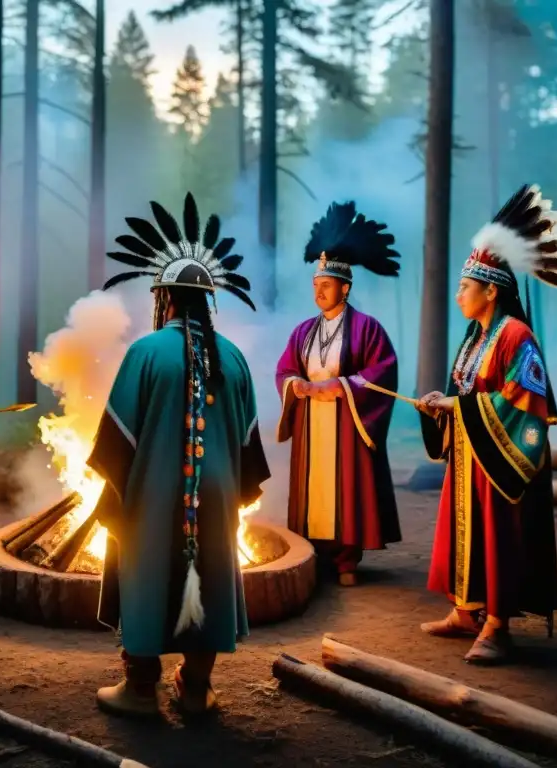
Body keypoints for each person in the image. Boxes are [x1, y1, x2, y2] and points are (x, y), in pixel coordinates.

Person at [88, 193, 270, 717]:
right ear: (207, 302)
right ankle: (195, 688)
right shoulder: (232, 358)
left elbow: (116, 442)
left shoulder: (145, 352)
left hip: (151, 496)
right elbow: (248, 450)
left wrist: (120, 497)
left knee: (143, 574)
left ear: (164, 299)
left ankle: (141, 690)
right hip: (214, 498)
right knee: (210, 574)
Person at [415, 184, 557, 665]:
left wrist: (459, 409)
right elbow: (466, 393)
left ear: (490, 290)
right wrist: (441, 405)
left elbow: (526, 403)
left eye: (466, 287)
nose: (459, 293)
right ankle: (466, 612)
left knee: (498, 537)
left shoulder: (515, 336)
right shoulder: (474, 337)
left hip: (503, 464)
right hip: (468, 459)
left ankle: (497, 627)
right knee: (464, 533)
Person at [275, 201, 402, 586]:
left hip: (347, 422)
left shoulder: (367, 329)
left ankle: (346, 560)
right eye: (315, 286)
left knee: (345, 488)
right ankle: (316, 552)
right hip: (313, 423)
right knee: (314, 489)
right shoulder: (303, 331)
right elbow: (285, 368)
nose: (319, 292)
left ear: (345, 288)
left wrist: (341, 386)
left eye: (326, 286)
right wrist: (295, 385)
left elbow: (383, 371)